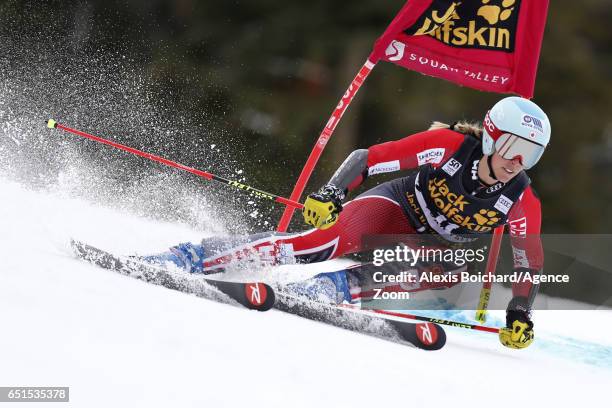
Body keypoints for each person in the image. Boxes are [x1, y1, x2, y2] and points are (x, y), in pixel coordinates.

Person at [142, 96, 550, 349]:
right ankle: (192, 256)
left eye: (531, 155)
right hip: (397, 208)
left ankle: (330, 289)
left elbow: (528, 263)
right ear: (493, 138)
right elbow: (366, 159)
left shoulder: (521, 200)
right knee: (318, 244)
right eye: (514, 147)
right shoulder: (447, 148)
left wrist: (519, 312)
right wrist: (331, 194)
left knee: (448, 270)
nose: (518, 162)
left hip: (429, 247)